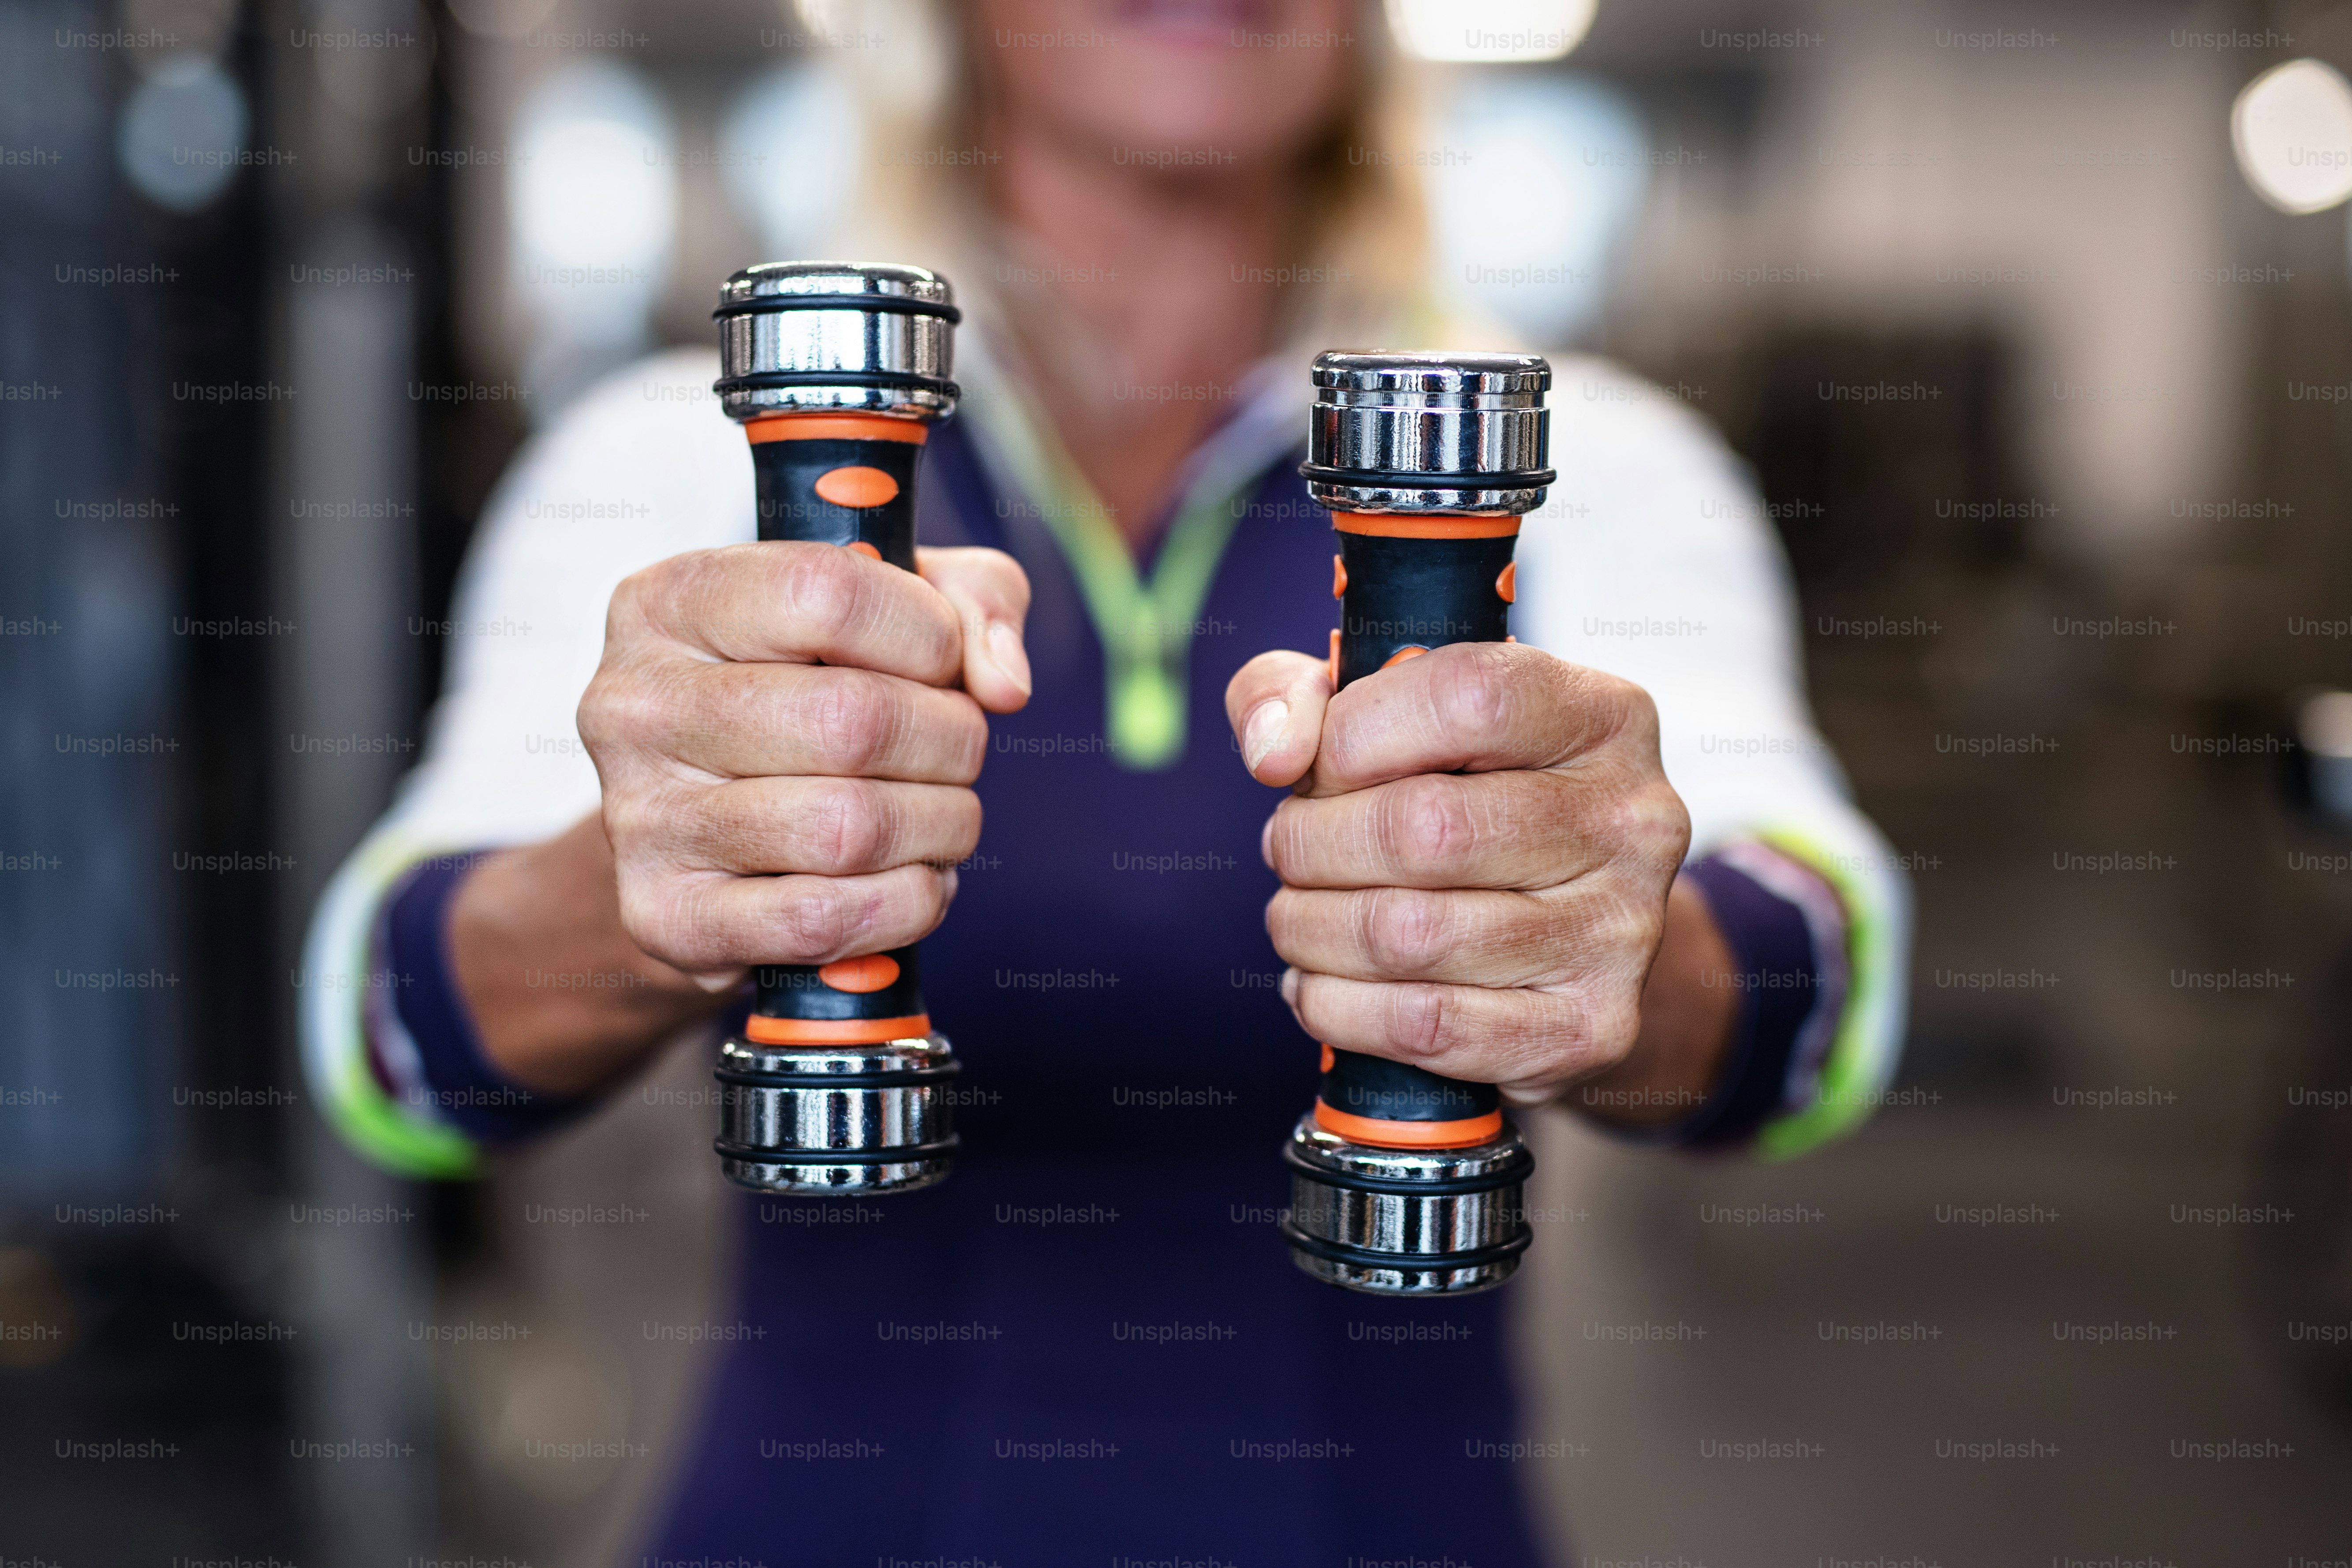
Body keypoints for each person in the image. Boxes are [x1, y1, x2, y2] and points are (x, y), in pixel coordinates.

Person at [302, 1, 1910, 1558]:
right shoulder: (673, 456)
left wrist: (1619, 936)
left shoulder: (1597, 463)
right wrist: (652, 876)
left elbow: (1811, 990)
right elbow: (396, 1036)